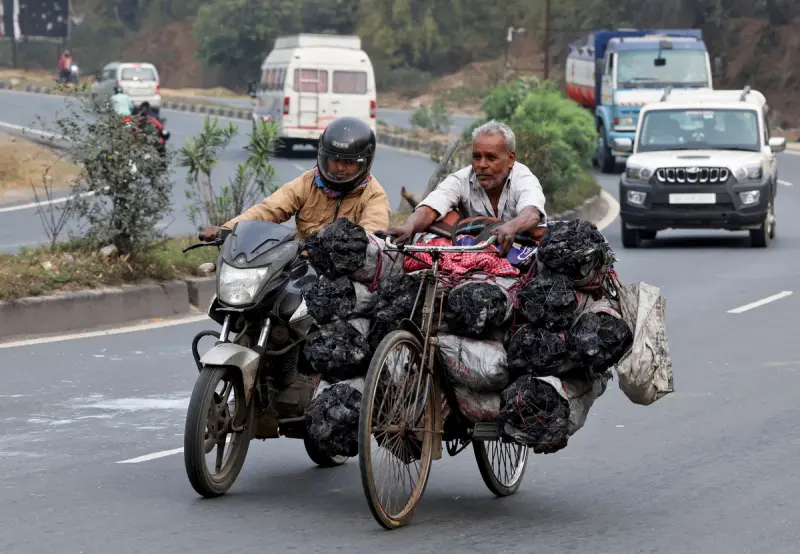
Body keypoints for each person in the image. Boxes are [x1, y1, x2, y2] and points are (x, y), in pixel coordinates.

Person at [199, 116, 391, 242]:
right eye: (334, 160)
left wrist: (353, 247)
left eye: (348, 162)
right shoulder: (309, 182)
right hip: (302, 267)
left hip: (346, 277)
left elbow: (371, 236)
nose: (340, 167)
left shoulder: (373, 195)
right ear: (323, 157)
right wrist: (226, 230)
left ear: (364, 162)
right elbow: (268, 210)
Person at [387, 120, 546, 254]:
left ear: (511, 159)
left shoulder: (524, 178)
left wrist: (512, 227)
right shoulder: (460, 179)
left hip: (521, 255)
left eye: (491, 158)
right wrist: (409, 226)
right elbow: (433, 205)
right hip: (474, 257)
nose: (482, 165)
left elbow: (532, 213)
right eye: (477, 157)